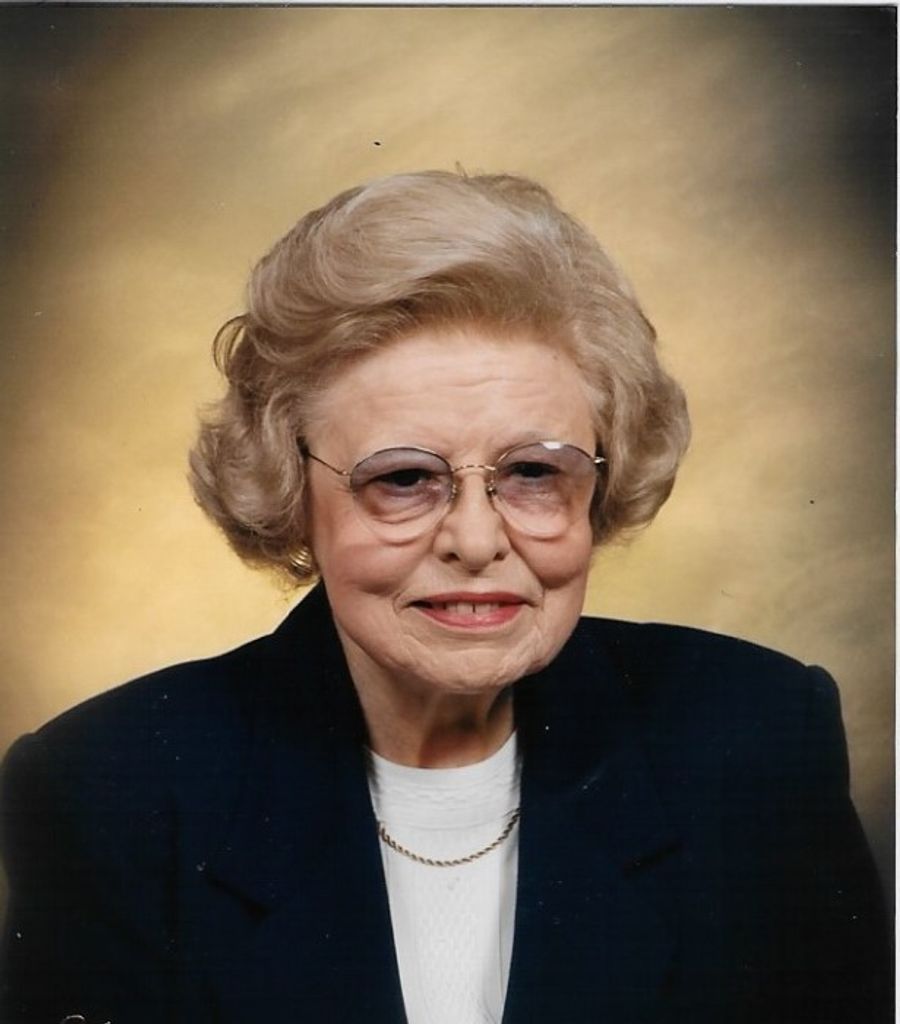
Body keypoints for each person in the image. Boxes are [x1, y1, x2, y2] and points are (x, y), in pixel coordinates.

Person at [0, 170, 889, 1024]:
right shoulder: (110, 789)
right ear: (291, 494)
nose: (475, 538)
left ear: (600, 488)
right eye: (403, 479)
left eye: (534, 472)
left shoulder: (753, 739)